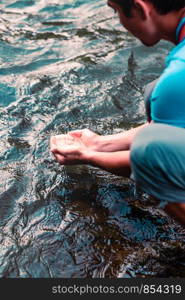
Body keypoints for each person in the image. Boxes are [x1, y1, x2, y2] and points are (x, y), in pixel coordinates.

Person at [50, 0, 185, 228]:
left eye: (116, 10)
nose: (120, 21)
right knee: (156, 94)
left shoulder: (178, 76)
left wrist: (88, 157)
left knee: (148, 151)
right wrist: (99, 143)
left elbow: (151, 158)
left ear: (140, 8)